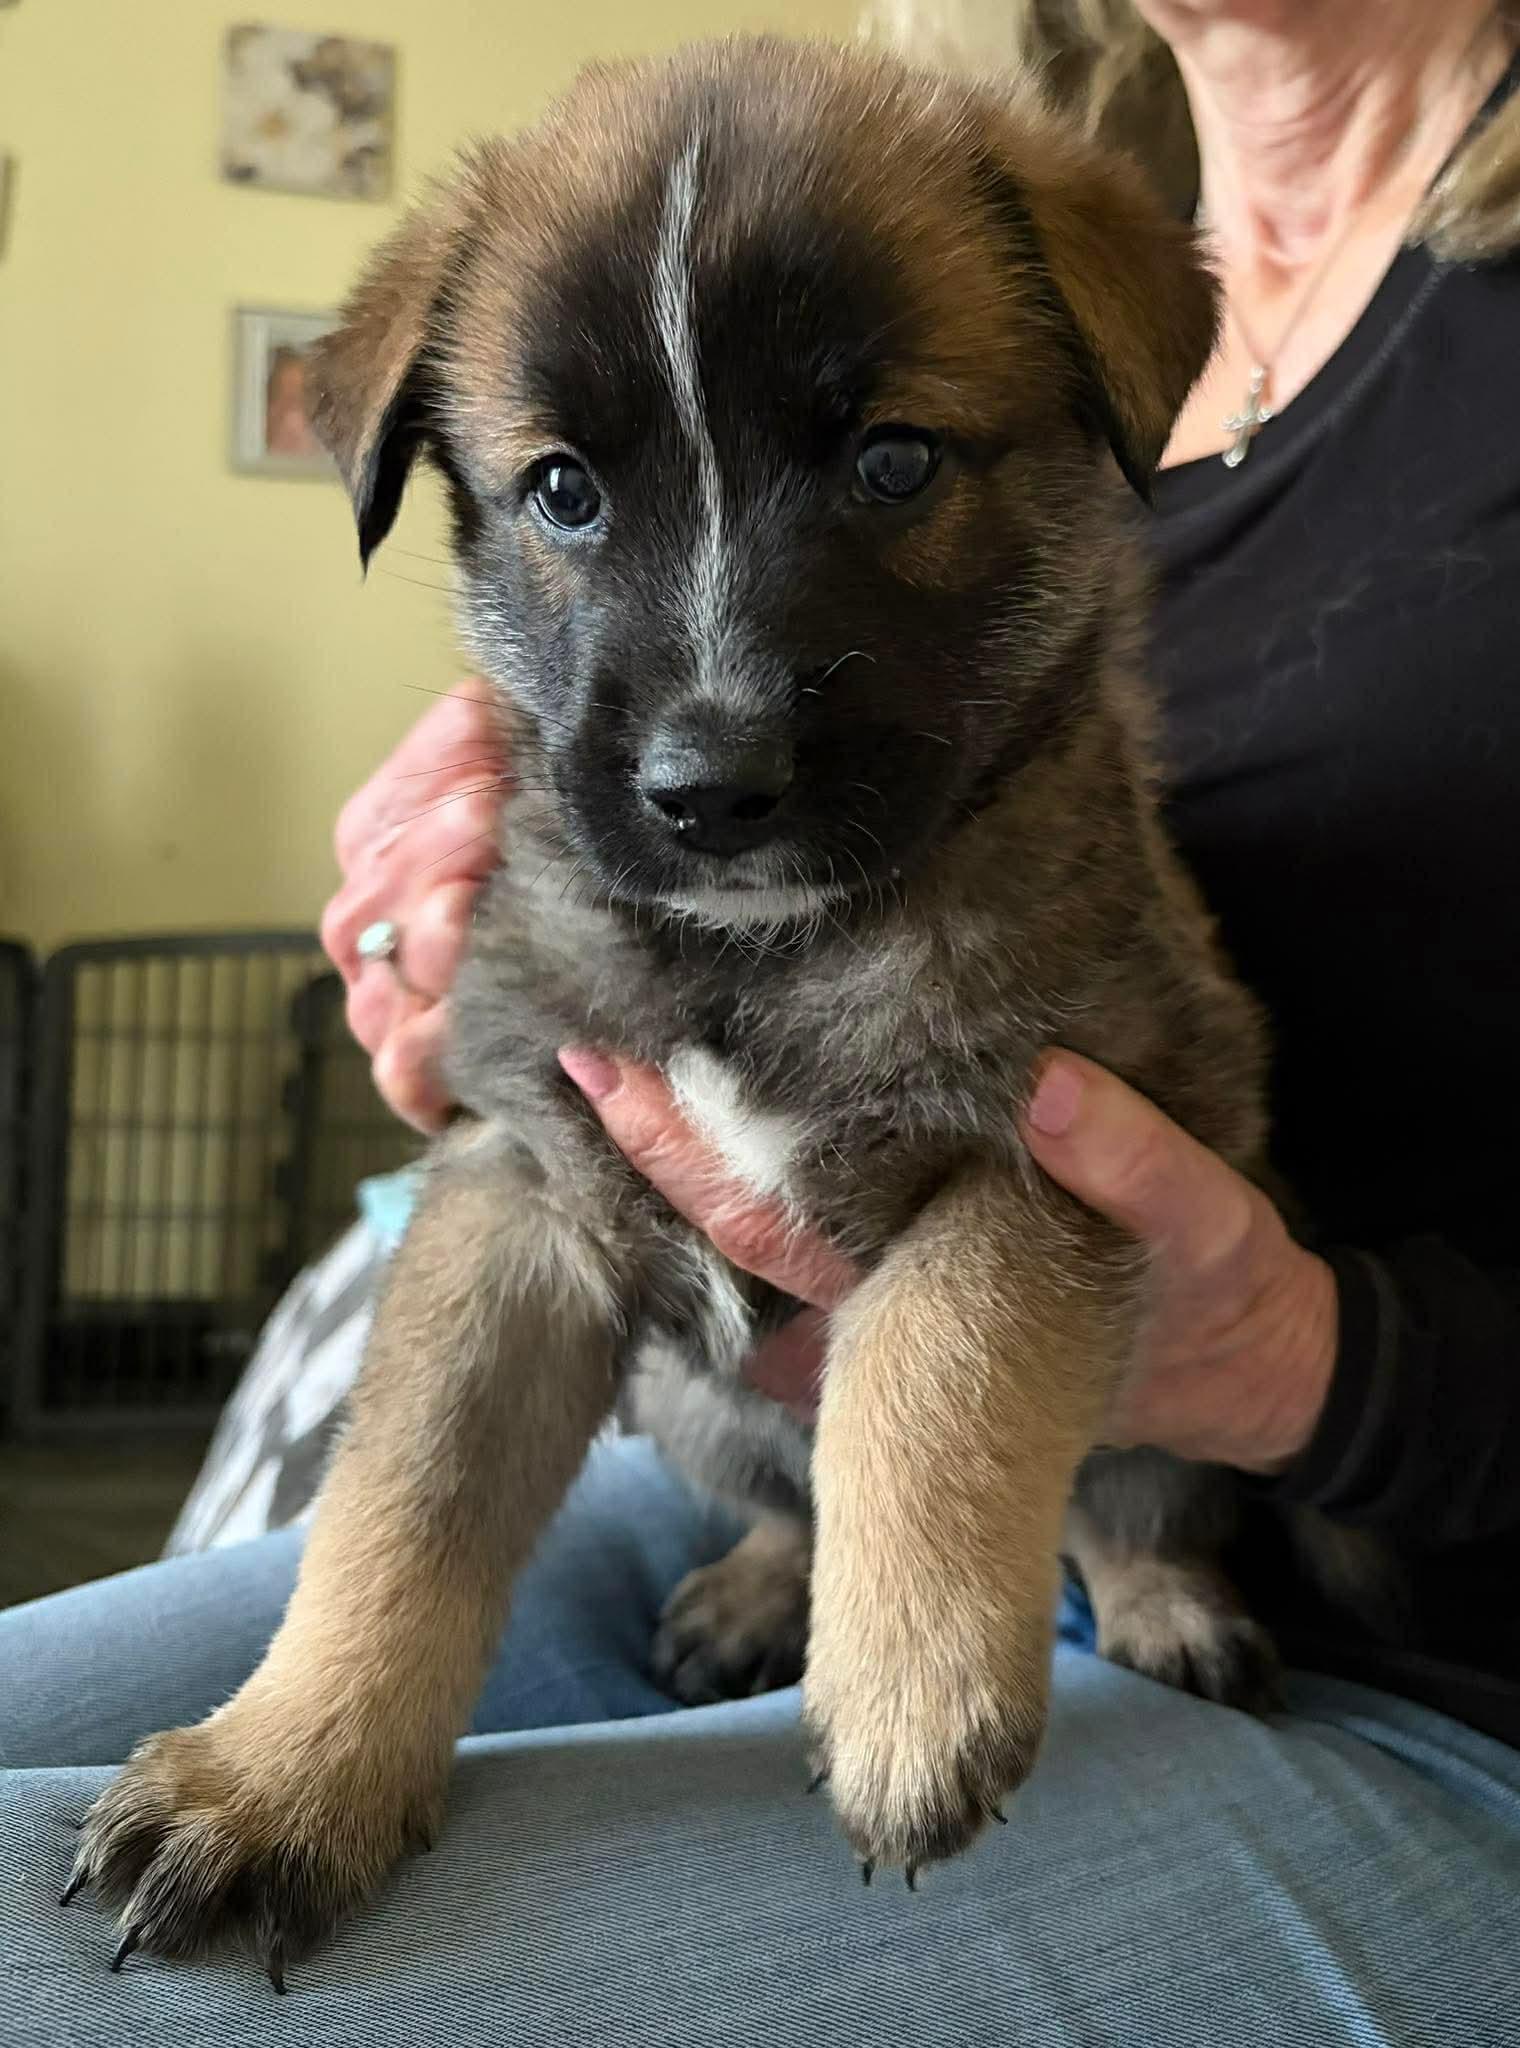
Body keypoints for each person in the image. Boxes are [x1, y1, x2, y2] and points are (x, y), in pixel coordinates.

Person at [6, 3, 1520, 2041]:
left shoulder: (1039, 257)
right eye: (554, 492)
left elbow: (1049, 1169)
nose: (712, 709)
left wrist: (1320, 1372)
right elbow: (525, 1220)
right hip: (767, 1490)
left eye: (888, 465)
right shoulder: (1048, 214)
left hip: (1404, 1664)